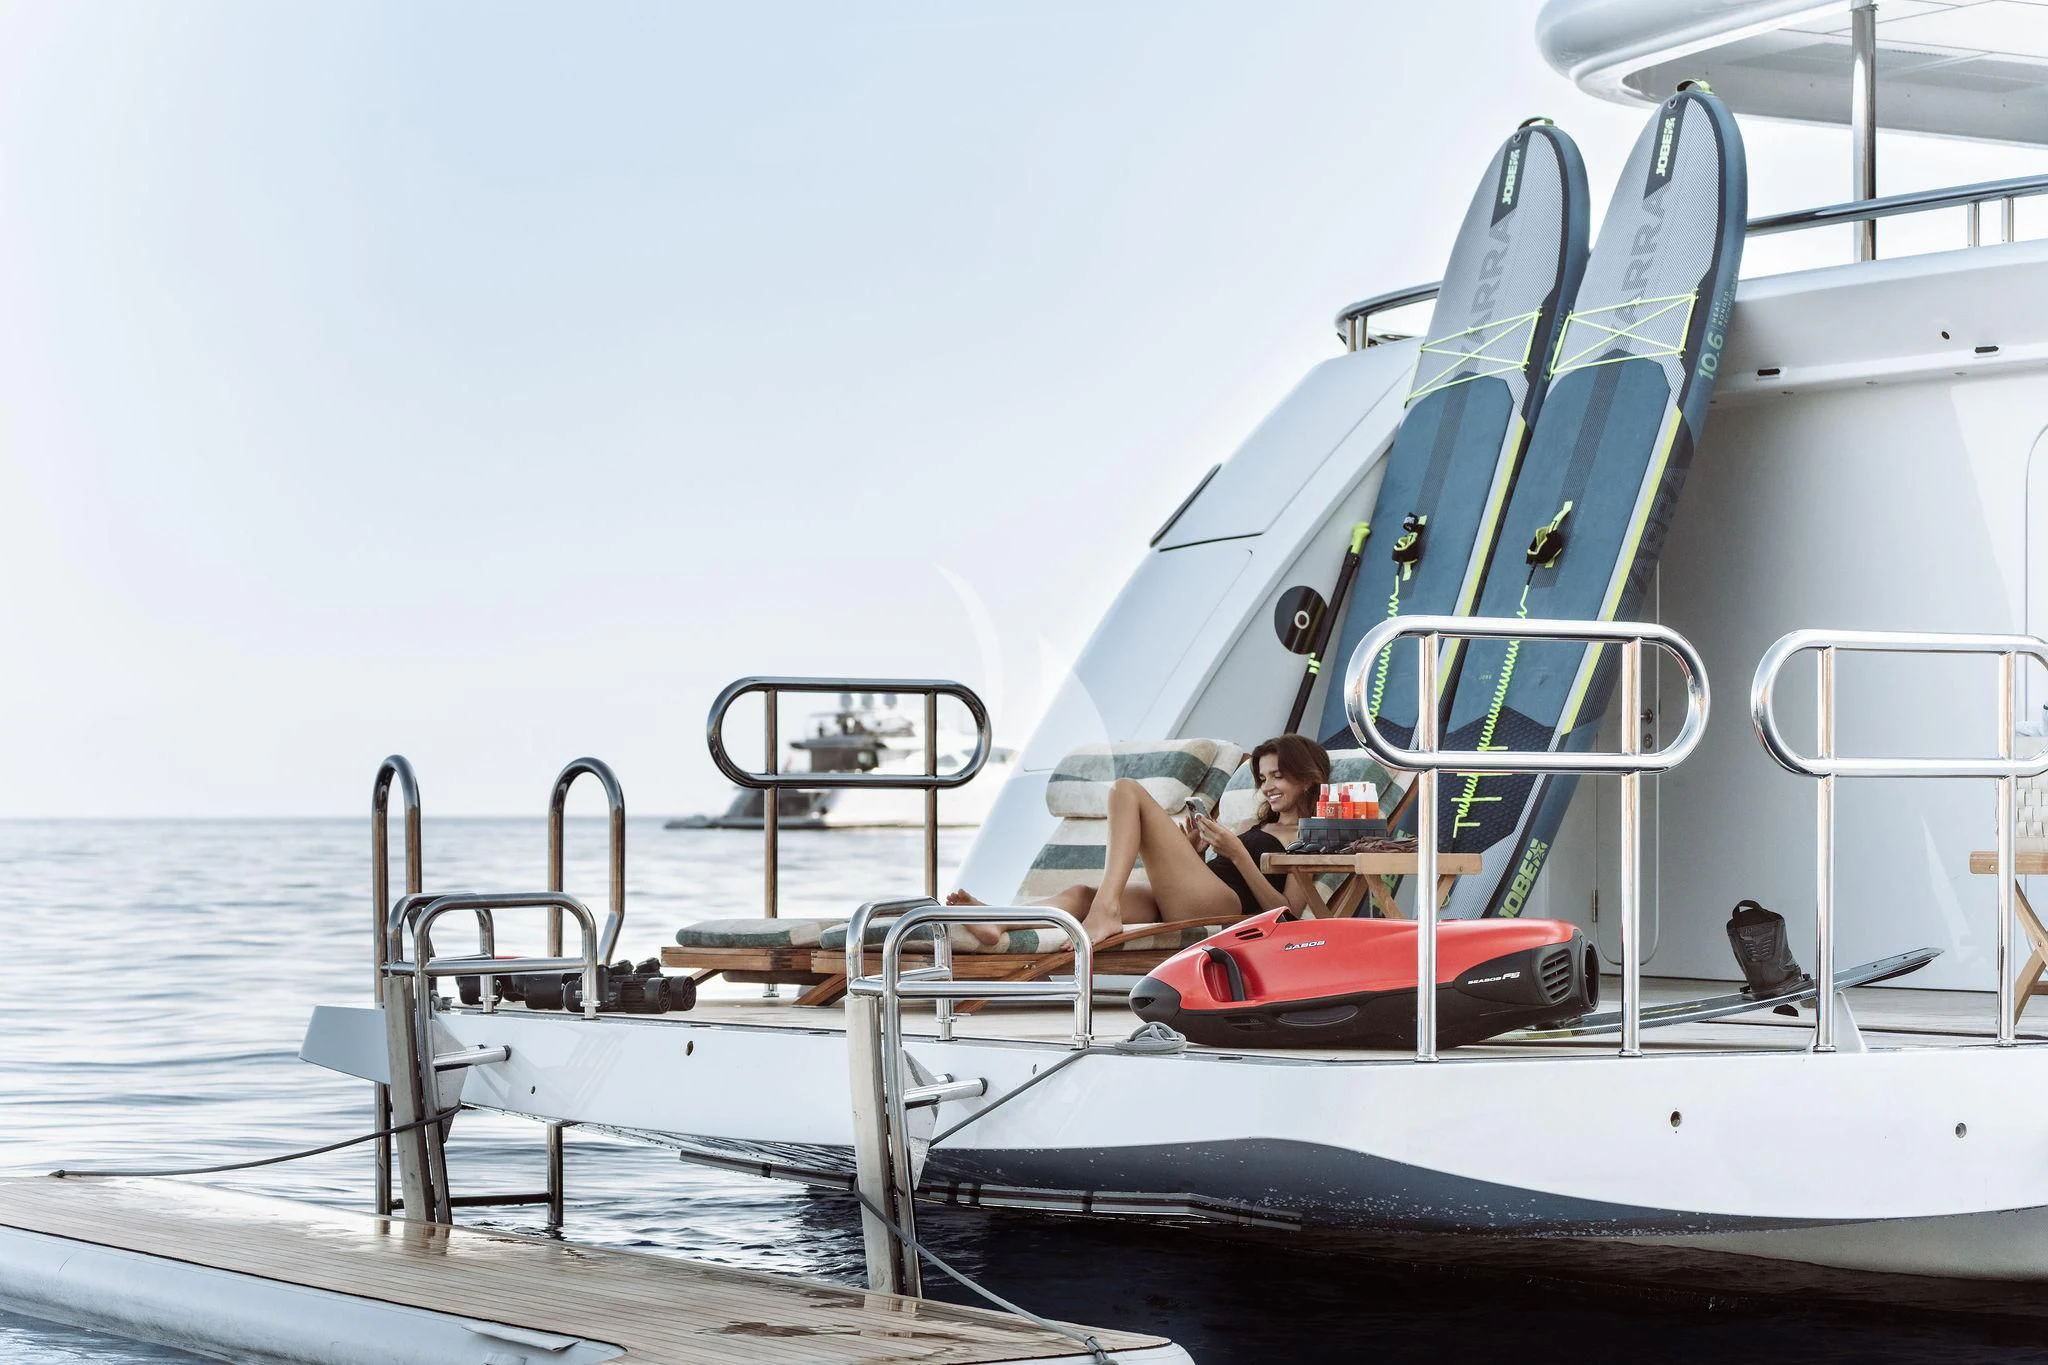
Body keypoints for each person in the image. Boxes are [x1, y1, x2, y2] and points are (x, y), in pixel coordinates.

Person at [948, 735, 1333, 944]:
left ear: (1307, 777)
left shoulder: (1312, 836)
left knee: (1126, 790)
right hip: (1198, 895)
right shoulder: (1252, 822)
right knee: (1085, 893)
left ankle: (1107, 912)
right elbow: (1214, 872)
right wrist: (1196, 855)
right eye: (1263, 779)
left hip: (1228, 908)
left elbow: (1287, 915)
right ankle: (998, 921)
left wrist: (1238, 854)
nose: (1267, 786)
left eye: (1278, 776)